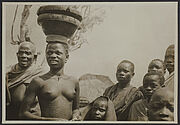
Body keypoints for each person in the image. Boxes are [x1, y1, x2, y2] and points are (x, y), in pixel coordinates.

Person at [19, 41, 80, 121]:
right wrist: (49, 120)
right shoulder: (38, 81)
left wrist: (75, 117)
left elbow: (76, 109)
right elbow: (23, 113)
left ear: (67, 57)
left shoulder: (73, 81)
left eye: (58, 53)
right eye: (49, 53)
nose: (53, 56)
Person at [6, 41, 44, 120]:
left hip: (34, 116)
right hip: (11, 115)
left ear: (35, 57)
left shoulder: (41, 74)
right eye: (21, 53)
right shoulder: (8, 72)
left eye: (28, 53)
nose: (23, 56)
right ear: (17, 55)